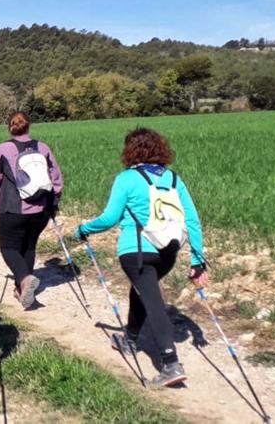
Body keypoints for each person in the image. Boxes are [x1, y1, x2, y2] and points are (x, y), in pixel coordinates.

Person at [75, 127, 208, 388]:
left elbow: (110, 218)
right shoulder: (172, 179)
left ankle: (170, 363)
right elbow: (192, 220)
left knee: (153, 301)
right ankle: (131, 339)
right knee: (142, 292)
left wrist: (83, 229)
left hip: (136, 251)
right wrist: (197, 258)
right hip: (168, 252)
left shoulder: (127, 178)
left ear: (130, 151)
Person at [0, 111, 63, 309]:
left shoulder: (4, 148)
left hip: (12, 208)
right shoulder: (42, 147)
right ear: (28, 126)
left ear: (10, 127)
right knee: (29, 246)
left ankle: (24, 279)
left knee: (9, 247)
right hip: (40, 209)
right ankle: (22, 290)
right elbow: (56, 178)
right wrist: (54, 202)